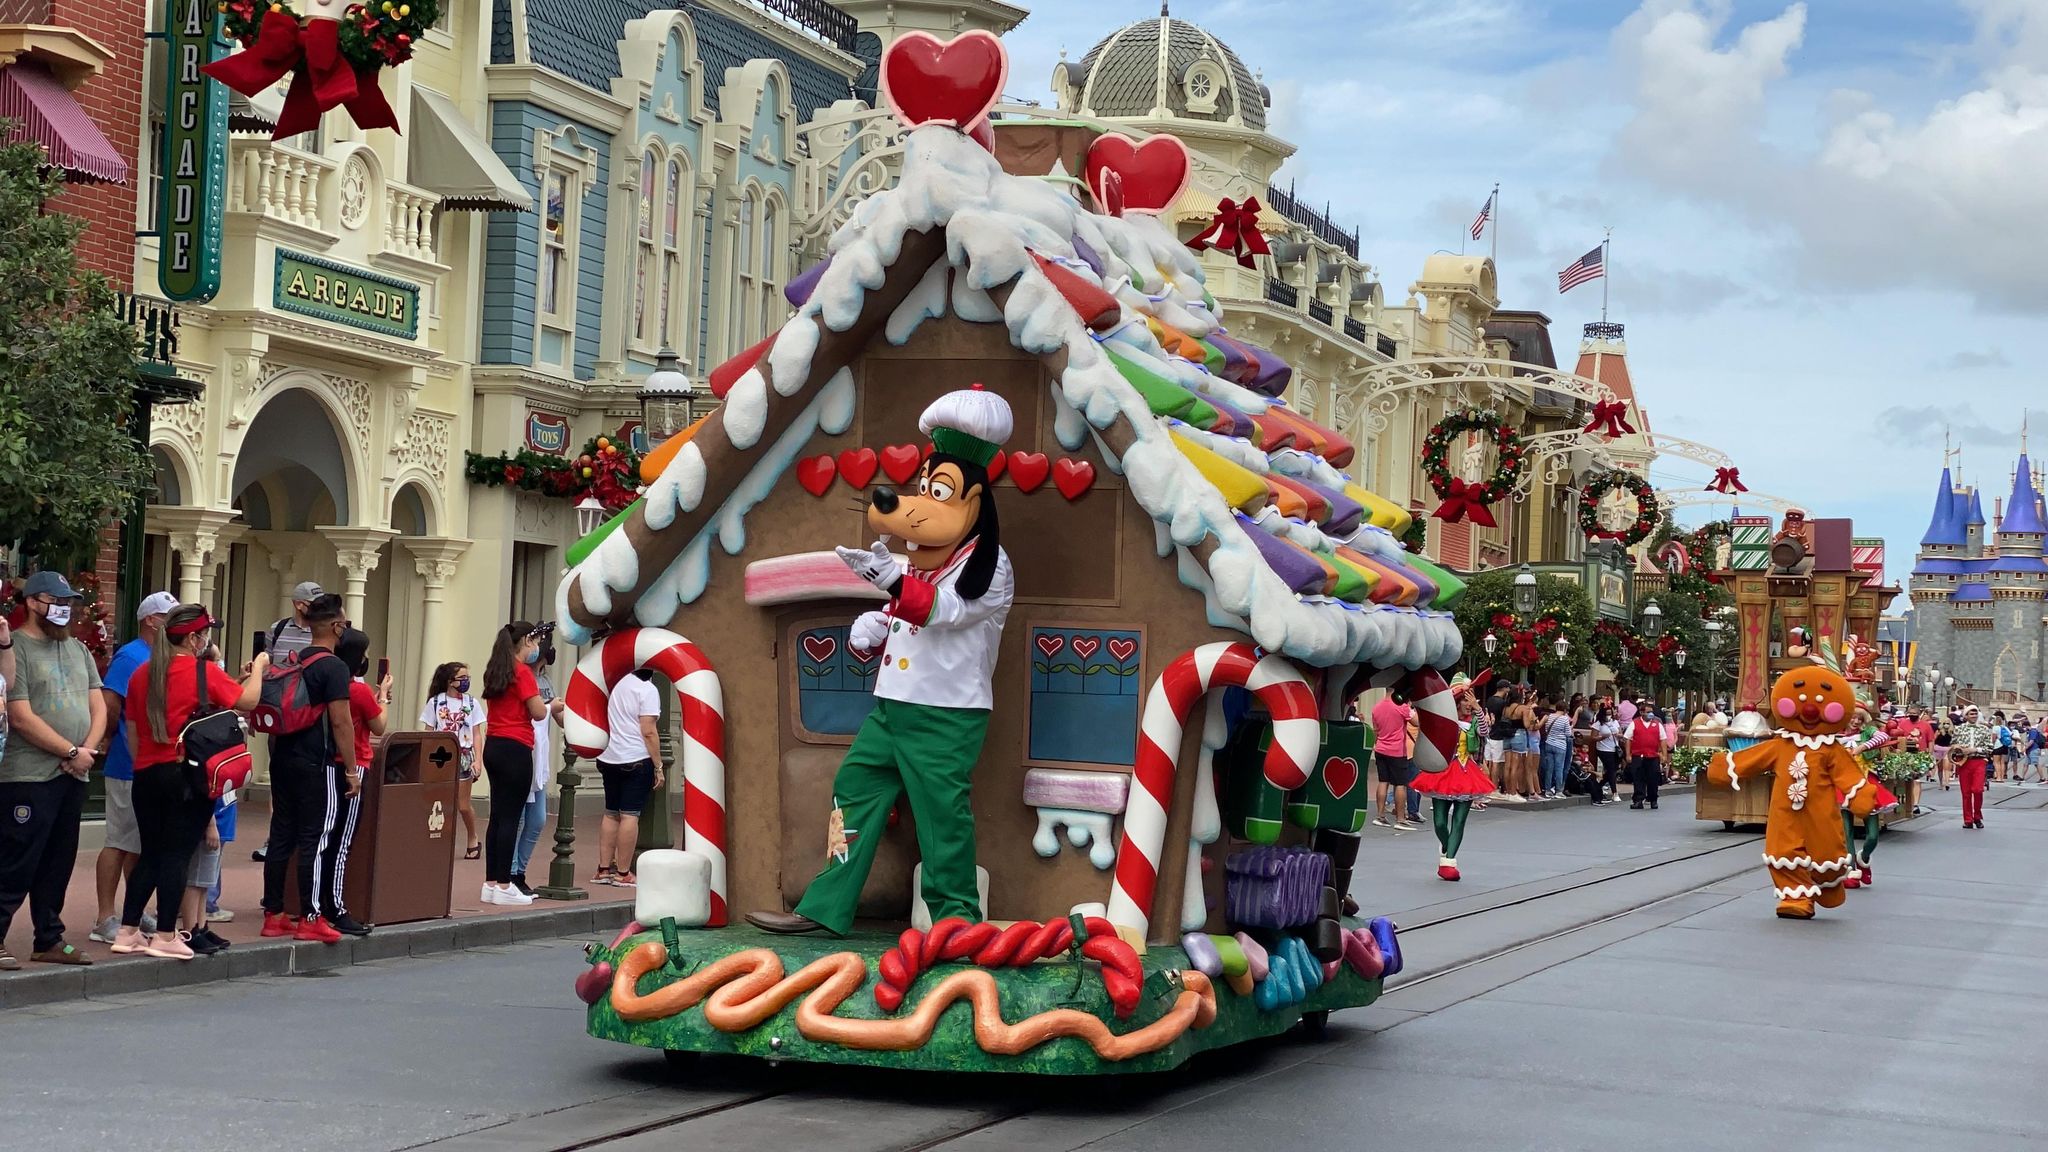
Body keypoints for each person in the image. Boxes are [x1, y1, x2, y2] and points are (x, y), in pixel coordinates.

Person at [115, 605, 265, 960]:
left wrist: (145, 765)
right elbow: (249, 700)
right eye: (204, 634)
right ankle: (166, 933)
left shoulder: (142, 674)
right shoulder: (205, 671)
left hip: (146, 773)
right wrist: (259, 669)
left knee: (150, 852)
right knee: (176, 855)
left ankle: (127, 929)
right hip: (185, 773)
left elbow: (133, 733)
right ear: (194, 638)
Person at [0, 571, 106, 969]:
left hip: (73, 773)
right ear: (31, 602)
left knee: (58, 861)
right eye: (55, 600)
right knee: (16, 858)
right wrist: (70, 748)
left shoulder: (78, 649)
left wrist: (86, 751)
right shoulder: (16, 648)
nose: (65, 608)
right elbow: (20, 714)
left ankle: (49, 937)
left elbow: (98, 706)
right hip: (27, 776)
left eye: (69, 602)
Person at [258, 593, 354, 944]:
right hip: (318, 761)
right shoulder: (333, 667)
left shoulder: (294, 659)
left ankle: (274, 913)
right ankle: (311, 916)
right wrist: (352, 771)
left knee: (281, 834)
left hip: (282, 755)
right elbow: (342, 723)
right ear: (335, 626)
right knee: (316, 837)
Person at [90, 590, 177, 944]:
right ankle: (104, 917)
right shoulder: (130, 656)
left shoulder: (161, 656)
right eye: (168, 617)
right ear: (151, 620)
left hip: (149, 765)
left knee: (139, 843)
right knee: (120, 840)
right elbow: (111, 705)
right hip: (128, 763)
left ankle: (133, 911)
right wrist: (107, 740)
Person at [479, 622, 561, 904]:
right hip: (516, 747)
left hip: (494, 746)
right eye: (534, 641)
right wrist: (554, 706)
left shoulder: (495, 671)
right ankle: (504, 884)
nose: (536, 647)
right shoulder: (523, 673)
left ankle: (490, 882)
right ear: (526, 641)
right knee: (511, 818)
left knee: (497, 815)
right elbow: (538, 713)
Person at [319, 627, 387, 936]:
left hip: (326, 763)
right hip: (353, 764)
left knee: (323, 838)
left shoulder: (327, 681)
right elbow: (379, 726)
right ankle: (334, 905)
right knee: (341, 840)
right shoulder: (357, 691)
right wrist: (383, 696)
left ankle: (319, 904)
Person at [1410, 694, 1493, 881]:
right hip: (1443, 772)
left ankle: (1449, 862)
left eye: (1472, 701)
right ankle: (1447, 846)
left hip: (1466, 773)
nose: (1469, 705)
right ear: (1456, 703)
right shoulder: (1445, 720)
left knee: (1459, 820)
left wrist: (1478, 709)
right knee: (1439, 821)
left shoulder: (1474, 721)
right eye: (1466, 701)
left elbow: (1485, 731)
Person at [594, 667, 663, 887]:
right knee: (630, 815)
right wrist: (658, 765)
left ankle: (604, 869)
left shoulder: (615, 683)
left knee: (611, 813)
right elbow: (648, 730)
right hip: (635, 757)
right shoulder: (648, 689)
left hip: (609, 755)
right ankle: (623, 873)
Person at [510, 636, 563, 894]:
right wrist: (549, 707)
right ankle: (509, 873)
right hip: (523, 752)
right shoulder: (518, 677)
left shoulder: (545, 682)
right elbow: (535, 712)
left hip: (539, 758)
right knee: (517, 817)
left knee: (538, 819)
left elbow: (556, 715)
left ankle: (520, 869)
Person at [420, 662, 486, 859]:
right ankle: (438, 840)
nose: (466, 682)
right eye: (462, 678)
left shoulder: (471, 703)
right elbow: (429, 732)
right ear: (450, 681)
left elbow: (476, 734)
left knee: (462, 804)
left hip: (464, 755)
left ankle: (472, 837)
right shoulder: (435, 703)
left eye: (468, 678)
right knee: (438, 800)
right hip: (440, 755)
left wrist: (478, 760)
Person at [1370, 687, 1418, 829]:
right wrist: (1410, 708)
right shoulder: (1401, 706)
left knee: (1383, 781)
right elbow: (1416, 722)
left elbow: (1375, 730)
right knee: (1400, 784)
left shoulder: (1376, 707)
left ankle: (1380, 815)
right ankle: (1401, 819)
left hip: (1380, 749)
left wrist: (1376, 743)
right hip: (1397, 751)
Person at [1950, 705, 1996, 829]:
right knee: (1965, 792)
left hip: (1979, 761)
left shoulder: (1984, 730)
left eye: (1975, 714)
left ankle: (1977, 816)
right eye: (1971, 714)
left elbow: (1989, 748)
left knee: (1977, 790)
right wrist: (1959, 750)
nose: (1974, 716)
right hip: (1964, 762)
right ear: (1966, 716)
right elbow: (1953, 745)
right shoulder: (1959, 729)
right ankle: (1968, 819)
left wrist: (1974, 749)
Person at [266, 581, 324, 666]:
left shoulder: (323, 631)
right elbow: (266, 663)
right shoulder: (277, 628)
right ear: (298, 604)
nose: (320, 608)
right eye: (315, 604)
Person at [1628, 702, 1664, 809]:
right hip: (1638, 755)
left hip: (1653, 756)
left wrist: (1664, 754)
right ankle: (1638, 800)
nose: (1650, 714)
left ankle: (1653, 799)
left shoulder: (1657, 724)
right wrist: (1628, 754)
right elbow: (1628, 739)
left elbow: (1663, 740)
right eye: (1648, 712)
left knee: (1653, 778)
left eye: (1651, 712)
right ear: (1641, 712)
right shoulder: (1634, 723)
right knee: (1638, 778)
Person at [1481, 680, 1510, 799]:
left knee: (1487, 761)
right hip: (1498, 734)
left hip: (1488, 733)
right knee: (1497, 762)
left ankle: (1486, 786)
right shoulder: (1502, 703)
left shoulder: (1490, 699)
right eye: (1508, 688)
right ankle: (1493, 788)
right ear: (1504, 689)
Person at [1540, 700, 1573, 799]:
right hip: (1560, 745)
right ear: (1564, 709)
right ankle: (1558, 791)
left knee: (1549, 768)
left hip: (1549, 743)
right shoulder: (1564, 719)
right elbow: (1568, 733)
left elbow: (1546, 729)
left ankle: (1547, 790)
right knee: (1559, 768)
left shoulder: (1550, 716)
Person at [1592, 702, 1623, 804]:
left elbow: (1621, 734)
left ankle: (1597, 786)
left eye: (1610, 713)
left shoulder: (1615, 722)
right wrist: (1602, 737)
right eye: (1607, 714)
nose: (1609, 715)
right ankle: (1615, 793)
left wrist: (1618, 735)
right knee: (1611, 770)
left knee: (1612, 770)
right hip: (1603, 749)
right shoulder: (1598, 724)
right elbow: (1593, 737)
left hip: (1614, 748)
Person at [1929, 722, 1952, 791]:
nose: (1946, 725)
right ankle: (1941, 783)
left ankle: (1947, 783)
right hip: (1938, 749)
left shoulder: (1952, 732)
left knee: (1947, 767)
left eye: (1947, 723)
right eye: (1944, 723)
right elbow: (1933, 739)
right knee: (1940, 767)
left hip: (1947, 749)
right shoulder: (1939, 731)